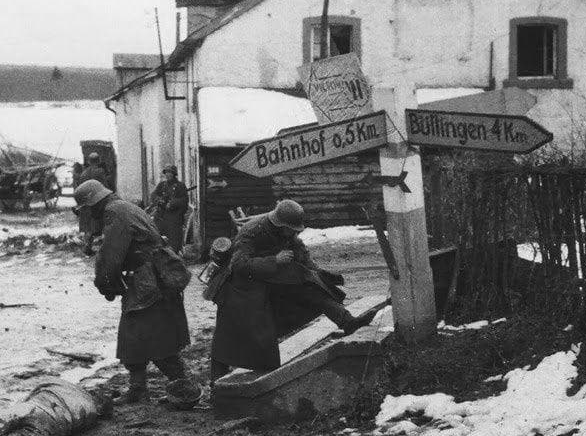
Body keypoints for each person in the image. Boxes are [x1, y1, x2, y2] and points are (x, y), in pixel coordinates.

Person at [210, 199, 377, 382]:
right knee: (229, 334)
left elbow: (301, 254)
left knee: (313, 290)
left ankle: (348, 322)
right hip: (239, 287)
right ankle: (217, 380)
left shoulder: (287, 233)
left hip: (266, 280)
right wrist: (274, 260)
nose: (295, 233)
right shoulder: (252, 231)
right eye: (292, 229)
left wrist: (316, 273)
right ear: (280, 225)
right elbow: (239, 265)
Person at [74, 179, 202, 408]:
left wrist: (105, 284)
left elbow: (110, 257)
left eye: (86, 209)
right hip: (152, 279)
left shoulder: (114, 213)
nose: (88, 214)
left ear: (93, 203)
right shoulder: (122, 207)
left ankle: (184, 388)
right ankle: (139, 388)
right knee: (135, 337)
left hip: (149, 284)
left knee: (152, 337)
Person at [148, 165, 189, 252]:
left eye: (170, 172)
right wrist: (159, 200)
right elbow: (153, 195)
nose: (167, 174)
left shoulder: (180, 186)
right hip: (161, 217)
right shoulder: (162, 185)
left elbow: (184, 201)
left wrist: (172, 203)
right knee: (158, 241)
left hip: (174, 219)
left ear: (174, 174)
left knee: (174, 244)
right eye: (166, 172)